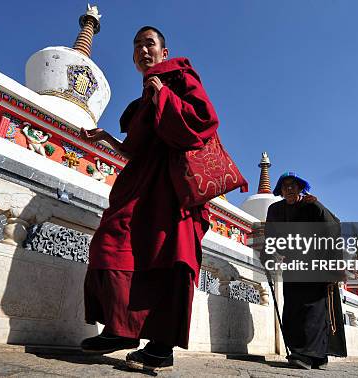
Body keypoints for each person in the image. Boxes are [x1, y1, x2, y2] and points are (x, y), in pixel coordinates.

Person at [79, 26, 220, 372]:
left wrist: (166, 97)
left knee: (169, 257)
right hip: (140, 185)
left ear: (164, 51)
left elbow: (205, 121)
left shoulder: (179, 78)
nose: (142, 50)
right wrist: (108, 138)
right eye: (137, 45)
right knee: (111, 242)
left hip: (172, 187)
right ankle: (120, 328)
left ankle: (160, 348)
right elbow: (135, 148)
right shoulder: (143, 97)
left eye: (149, 43)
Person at [263, 172, 347, 370]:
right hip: (292, 265)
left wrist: (317, 205)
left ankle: (307, 354)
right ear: (280, 191)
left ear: (301, 188)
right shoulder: (275, 210)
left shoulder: (312, 206)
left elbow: (334, 227)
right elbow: (270, 236)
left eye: (293, 185)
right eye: (285, 186)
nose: (289, 189)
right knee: (292, 307)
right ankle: (314, 355)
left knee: (314, 310)